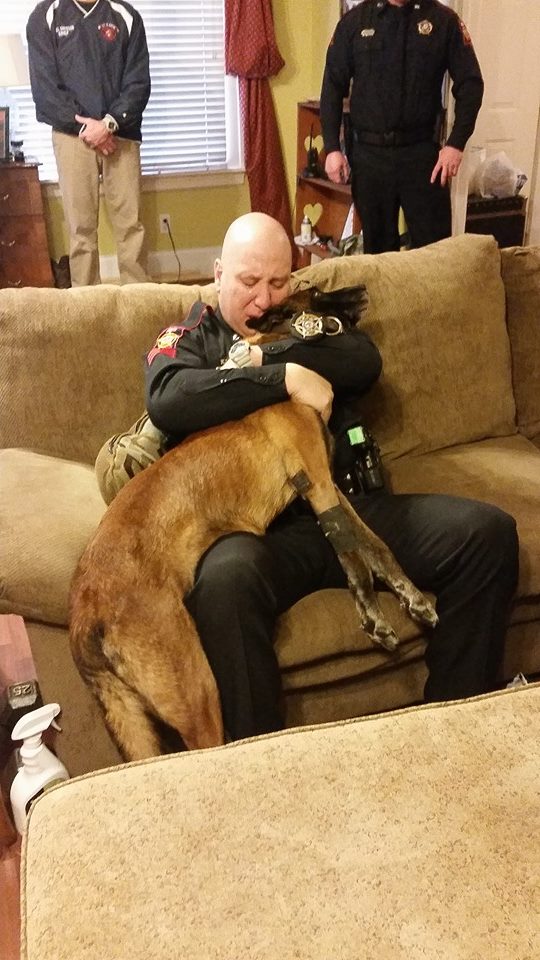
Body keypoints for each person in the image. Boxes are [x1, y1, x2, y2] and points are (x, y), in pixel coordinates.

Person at [141, 211, 518, 742]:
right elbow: (168, 399)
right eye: (249, 282)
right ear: (218, 273)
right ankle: (258, 762)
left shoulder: (303, 321)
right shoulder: (188, 338)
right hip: (261, 536)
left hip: (352, 509)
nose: (264, 300)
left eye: (278, 282)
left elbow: (362, 360)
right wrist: (283, 379)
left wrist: (269, 354)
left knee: (488, 536)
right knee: (223, 584)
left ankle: (453, 729)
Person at [319, 0, 484, 253]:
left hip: (422, 156)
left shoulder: (443, 21)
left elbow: (470, 84)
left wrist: (456, 144)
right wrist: (332, 148)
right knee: (378, 253)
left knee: (435, 251)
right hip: (370, 157)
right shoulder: (355, 22)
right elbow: (332, 86)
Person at [26, 0, 151, 286]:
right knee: (80, 230)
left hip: (120, 134)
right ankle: (85, 304)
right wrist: (87, 128)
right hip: (72, 138)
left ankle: (141, 301)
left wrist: (108, 124)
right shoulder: (45, 16)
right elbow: (45, 90)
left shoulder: (126, 15)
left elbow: (138, 82)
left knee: (130, 226)